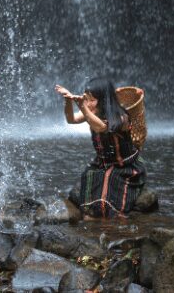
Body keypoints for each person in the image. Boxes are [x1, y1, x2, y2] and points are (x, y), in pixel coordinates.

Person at [55, 77, 146, 218]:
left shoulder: (121, 118)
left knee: (110, 181)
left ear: (104, 100)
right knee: (89, 176)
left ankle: (112, 215)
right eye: (86, 99)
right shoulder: (92, 112)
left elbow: (101, 127)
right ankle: (91, 212)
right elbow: (71, 119)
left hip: (124, 165)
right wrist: (68, 100)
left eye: (92, 100)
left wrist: (83, 107)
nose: (88, 103)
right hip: (103, 163)